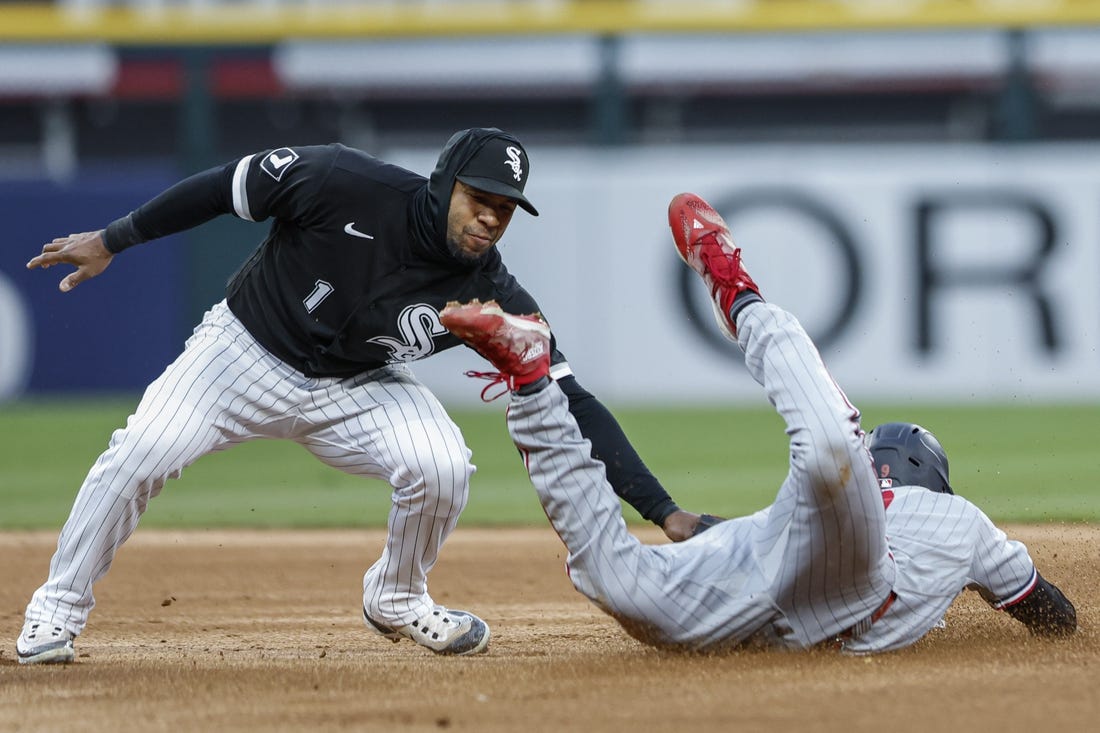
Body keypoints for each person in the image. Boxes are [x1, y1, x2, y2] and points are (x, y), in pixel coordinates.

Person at [16, 128, 715, 664]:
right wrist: (114, 239)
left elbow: (571, 400)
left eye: (505, 210)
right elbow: (221, 186)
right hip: (241, 352)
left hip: (357, 386)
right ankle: (57, 607)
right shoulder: (339, 180)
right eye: (480, 200)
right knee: (141, 451)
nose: (490, 220)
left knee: (443, 465)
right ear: (443, 185)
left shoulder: (493, 292)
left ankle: (398, 595)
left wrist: (665, 510)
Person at [437, 192, 1077, 653]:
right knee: (829, 449)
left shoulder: (923, 521)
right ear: (927, 477)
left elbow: (768, 536)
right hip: (835, 581)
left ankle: (530, 378)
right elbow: (1052, 614)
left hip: (745, 596)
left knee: (615, 579)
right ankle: (732, 283)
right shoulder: (956, 521)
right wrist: (965, 591)